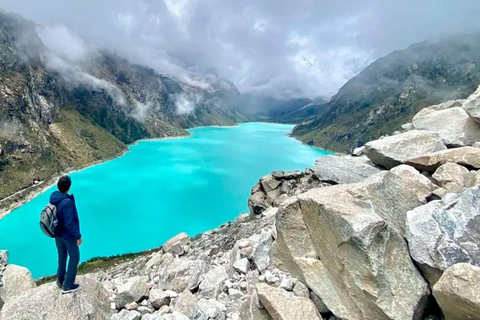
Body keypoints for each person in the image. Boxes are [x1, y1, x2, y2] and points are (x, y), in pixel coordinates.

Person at [49, 175, 82, 294]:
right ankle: (68, 285)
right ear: (68, 187)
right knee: (74, 257)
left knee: (62, 256)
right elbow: (69, 222)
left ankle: (60, 280)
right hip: (67, 236)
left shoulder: (54, 198)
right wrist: (78, 236)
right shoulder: (67, 202)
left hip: (57, 234)